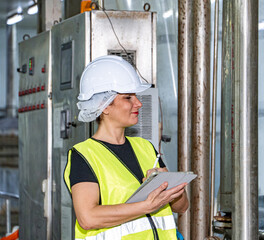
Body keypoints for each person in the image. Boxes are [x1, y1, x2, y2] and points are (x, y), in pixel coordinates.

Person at [63, 55, 188, 240]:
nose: (138, 103)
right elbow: (87, 218)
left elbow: (182, 207)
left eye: (136, 96)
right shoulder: (84, 155)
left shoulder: (146, 147)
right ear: (103, 105)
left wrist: (170, 186)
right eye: (128, 97)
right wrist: (147, 205)